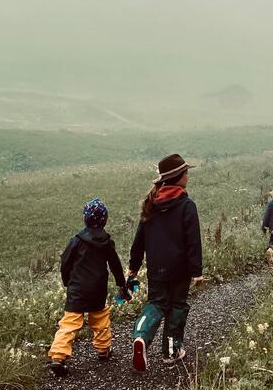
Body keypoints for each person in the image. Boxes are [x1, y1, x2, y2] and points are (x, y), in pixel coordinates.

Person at [129, 154, 204, 372]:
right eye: (186, 172)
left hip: (156, 268)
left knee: (156, 303)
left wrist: (133, 267)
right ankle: (171, 352)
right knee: (177, 307)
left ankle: (140, 337)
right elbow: (193, 241)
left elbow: (138, 240)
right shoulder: (186, 205)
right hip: (180, 270)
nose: (188, 176)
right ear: (179, 177)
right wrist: (196, 271)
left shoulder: (150, 204)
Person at [47, 198, 131, 377]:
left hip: (77, 289)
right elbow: (115, 265)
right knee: (100, 320)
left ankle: (58, 356)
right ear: (104, 220)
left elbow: (65, 262)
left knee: (70, 323)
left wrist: (67, 281)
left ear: (85, 219)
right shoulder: (107, 242)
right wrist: (122, 284)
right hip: (97, 289)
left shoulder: (76, 240)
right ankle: (103, 350)